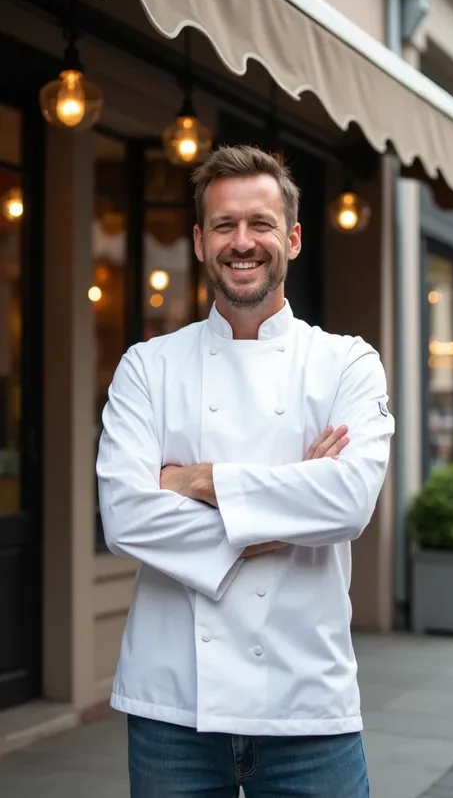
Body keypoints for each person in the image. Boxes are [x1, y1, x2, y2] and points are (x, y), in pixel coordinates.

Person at [96, 145, 394, 797]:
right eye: (225, 226)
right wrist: (291, 513)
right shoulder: (148, 367)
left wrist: (193, 482)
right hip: (174, 704)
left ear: (291, 238)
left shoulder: (346, 362)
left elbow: (346, 503)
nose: (243, 242)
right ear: (200, 242)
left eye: (260, 223)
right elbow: (124, 518)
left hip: (309, 704)